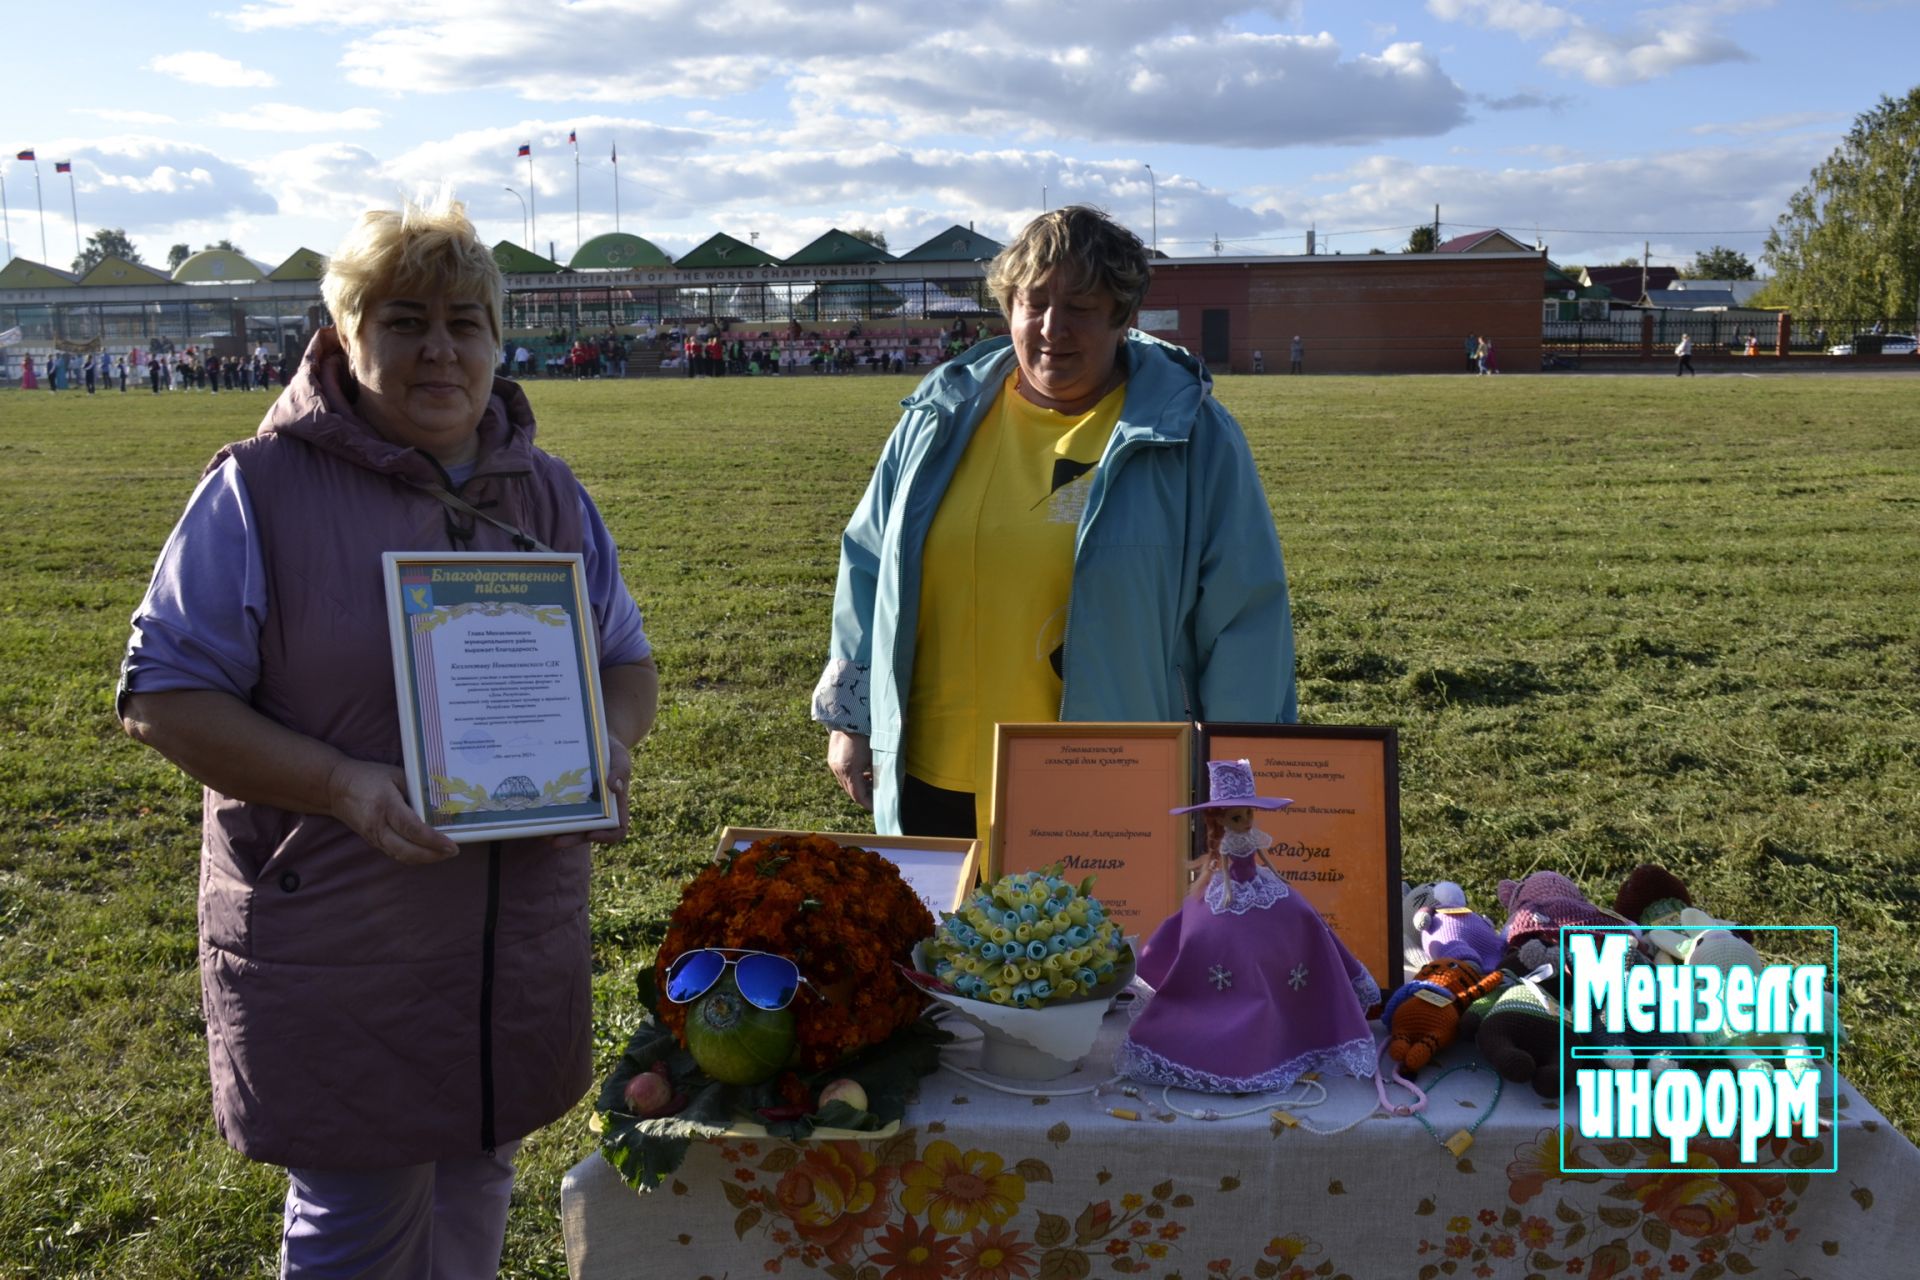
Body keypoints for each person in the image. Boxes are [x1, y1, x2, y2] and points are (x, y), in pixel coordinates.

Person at [117, 197, 659, 1278]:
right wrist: (342, 783)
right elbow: (164, 693)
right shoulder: (257, 488)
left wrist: (607, 743)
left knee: (476, 1185)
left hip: (515, 934)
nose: (440, 348)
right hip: (346, 931)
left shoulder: (548, 494)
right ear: (344, 334)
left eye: (466, 320)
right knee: (358, 1212)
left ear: (500, 340)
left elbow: (625, 662)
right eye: (404, 319)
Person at [814, 205, 1296, 839]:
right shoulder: (938, 417)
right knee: (929, 940)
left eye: (1081, 308)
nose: (1051, 328)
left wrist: (1232, 780)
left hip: (1104, 788)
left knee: (1091, 942)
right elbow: (869, 564)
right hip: (933, 779)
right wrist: (852, 720)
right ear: (1007, 305)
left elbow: (1245, 620)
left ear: (1124, 317)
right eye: (1032, 303)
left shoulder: (1193, 435)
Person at [1118, 759, 1379, 1093]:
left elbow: (1261, 865)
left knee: (1303, 919)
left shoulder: (1255, 853)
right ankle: (1209, 1028)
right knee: (1206, 937)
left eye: (1248, 815)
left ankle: (1300, 1023)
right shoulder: (1216, 872)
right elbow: (1220, 876)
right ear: (1220, 822)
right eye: (1236, 818)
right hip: (1227, 894)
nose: (1244, 824)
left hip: (1262, 889)